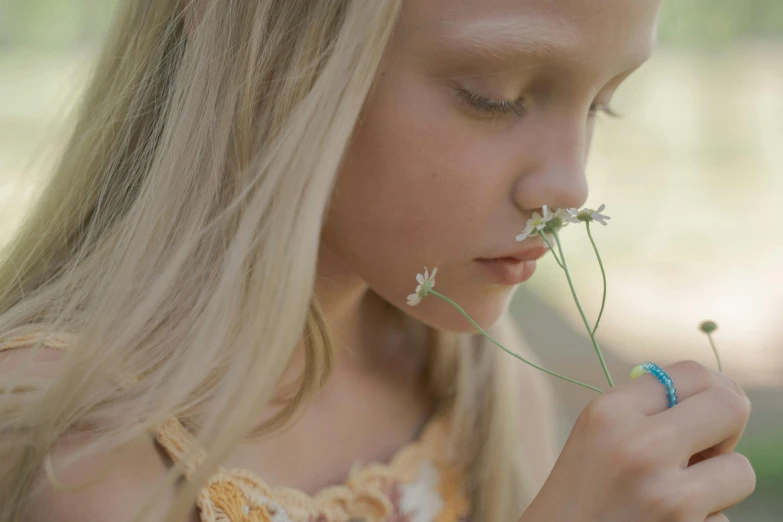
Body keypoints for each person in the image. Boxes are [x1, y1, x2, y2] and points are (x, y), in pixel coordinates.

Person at [0, 0, 756, 521]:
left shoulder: (478, 387)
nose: (568, 185)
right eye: (492, 97)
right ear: (263, 47)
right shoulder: (74, 439)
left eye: (600, 104)